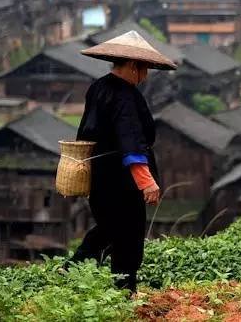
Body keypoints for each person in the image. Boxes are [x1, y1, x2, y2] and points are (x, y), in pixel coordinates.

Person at [70, 30, 177, 292]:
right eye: (144, 69)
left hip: (99, 176)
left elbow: (88, 133)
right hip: (121, 180)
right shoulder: (124, 95)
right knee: (128, 235)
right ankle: (123, 290)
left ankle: (74, 271)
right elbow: (130, 139)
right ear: (131, 65)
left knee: (110, 228)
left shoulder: (98, 87)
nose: (145, 76)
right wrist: (146, 182)